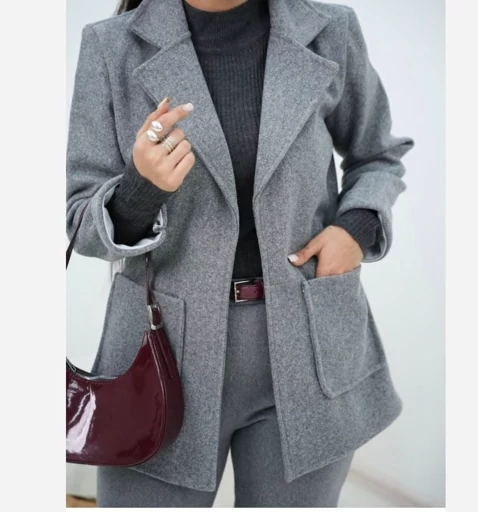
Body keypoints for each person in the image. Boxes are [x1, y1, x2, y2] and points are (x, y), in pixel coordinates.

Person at [66, 0, 414, 507]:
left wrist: (354, 229)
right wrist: (140, 189)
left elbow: (379, 155)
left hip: (309, 347)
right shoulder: (110, 46)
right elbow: (79, 220)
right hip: (159, 357)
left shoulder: (330, 30)